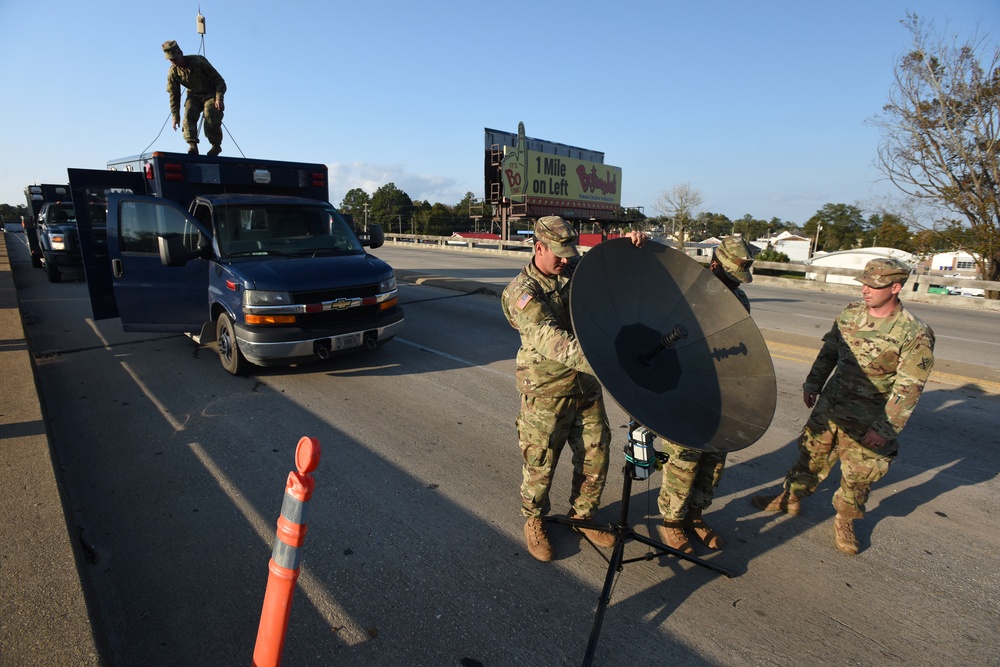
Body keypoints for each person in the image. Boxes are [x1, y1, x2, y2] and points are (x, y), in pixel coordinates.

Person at [751, 257, 935, 555]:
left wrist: (885, 428)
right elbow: (830, 351)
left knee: (859, 474)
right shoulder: (850, 315)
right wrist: (813, 383)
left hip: (869, 417)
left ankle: (846, 520)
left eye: (874, 285)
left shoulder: (913, 332)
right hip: (831, 405)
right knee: (810, 454)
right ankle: (790, 498)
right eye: (864, 283)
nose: (865, 289)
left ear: (896, 287)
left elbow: (909, 386)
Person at [502, 217, 648, 562]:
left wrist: (628, 245)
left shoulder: (572, 268)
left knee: (596, 455)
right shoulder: (521, 293)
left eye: (570, 253)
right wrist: (612, 363)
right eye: (558, 254)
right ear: (538, 247)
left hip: (585, 386)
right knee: (541, 462)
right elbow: (552, 340)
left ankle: (582, 516)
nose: (565, 260)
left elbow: (606, 269)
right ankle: (535, 520)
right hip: (546, 390)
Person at [656, 236, 755, 555]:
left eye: (738, 280)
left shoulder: (739, 300)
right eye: (729, 278)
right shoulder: (683, 296)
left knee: (714, 459)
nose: (734, 286)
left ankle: (695, 515)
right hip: (684, 387)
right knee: (684, 459)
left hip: (719, 392)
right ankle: (671, 522)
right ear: (713, 266)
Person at [162, 40, 227, 156]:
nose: (174, 62)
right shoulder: (173, 72)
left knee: (210, 114)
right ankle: (192, 146)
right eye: (171, 60)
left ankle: (215, 146)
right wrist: (175, 116)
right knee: (188, 115)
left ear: (181, 53)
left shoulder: (198, 61)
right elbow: (174, 95)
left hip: (210, 93)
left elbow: (219, 81)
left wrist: (219, 98)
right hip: (194, 95)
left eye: (175, 58)